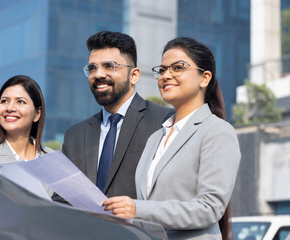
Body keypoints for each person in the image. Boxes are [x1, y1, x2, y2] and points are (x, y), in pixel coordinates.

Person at [103, 37, 241, 240]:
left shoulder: (217, 131)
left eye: (178, 68)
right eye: (162, 70)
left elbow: (209, 208)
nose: (166, 75)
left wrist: (136, 209)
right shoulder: (155, 138)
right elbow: (150, 207)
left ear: (205, 78)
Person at [52, 31, 172, 201]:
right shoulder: (75, 136)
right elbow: (62, 199)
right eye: (92, 68)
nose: (99, 74)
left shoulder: (164, 122)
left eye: (109, 66)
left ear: (134, 75)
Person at [0, 75, 53, 196]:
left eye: (20, 102)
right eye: (4, 101)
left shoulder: (54, 160)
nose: (10, 108)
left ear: (37, 114)